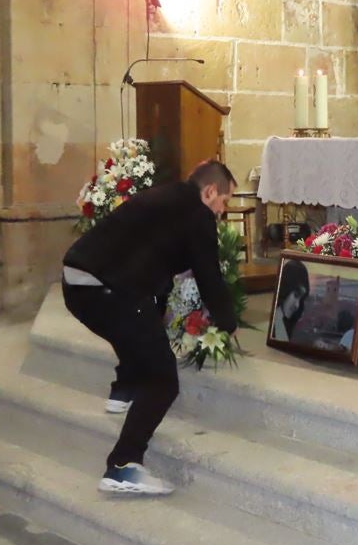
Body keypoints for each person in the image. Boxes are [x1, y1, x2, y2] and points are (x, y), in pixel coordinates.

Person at [61, 160, 238, 496]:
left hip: (75, 284)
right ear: (210, 190)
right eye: (224, 201)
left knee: (138, 329)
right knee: (162, 380)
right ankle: (123, 466)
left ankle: (124, 389)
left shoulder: (162, 196)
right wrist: (227, 322)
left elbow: (152, 269)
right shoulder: (197, 213)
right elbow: (208, 274)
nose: (222, 210)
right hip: (111, 292)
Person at [271, 259, 310, 342]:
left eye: (301, 299)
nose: (297, 305)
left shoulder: (288, 323)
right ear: (285, 288)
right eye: (296, 295)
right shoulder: (277, 322)